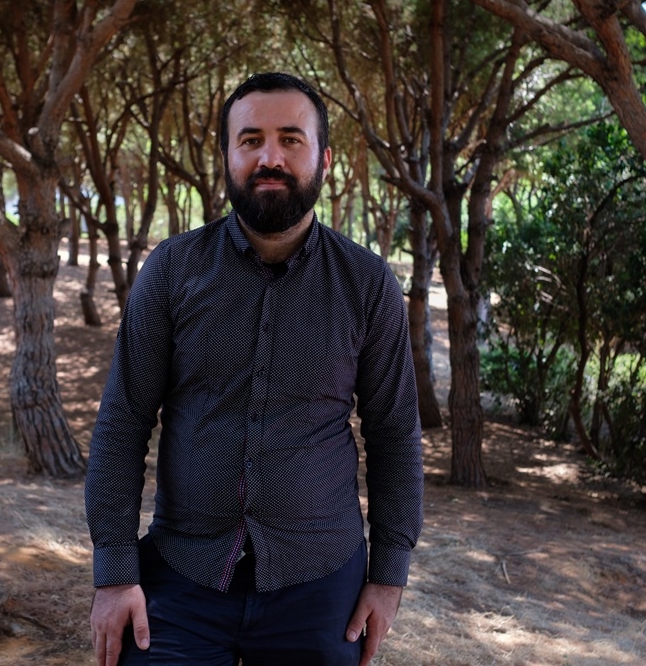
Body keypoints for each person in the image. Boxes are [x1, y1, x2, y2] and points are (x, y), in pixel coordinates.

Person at [85, 72, 423, 666]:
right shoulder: (171, 271)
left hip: (320, 580)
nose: (271, 157)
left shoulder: (367, 285)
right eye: (251, 140)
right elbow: (122, 423)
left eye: (292, 139)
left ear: (324, 156)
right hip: (182, 572)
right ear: (227, 155)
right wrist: (115, 574)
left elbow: (395, 436)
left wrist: (388, 576)